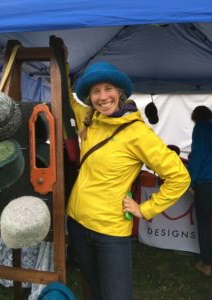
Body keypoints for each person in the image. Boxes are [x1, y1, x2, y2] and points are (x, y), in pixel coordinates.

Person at [66, 60, 190, 300]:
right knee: (96, 289)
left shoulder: (137, 133)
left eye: (108, 89)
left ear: (120, 92)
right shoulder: (91, 120)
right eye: (95, 91)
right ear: (89, 97)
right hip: (77, 224)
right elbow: (68, 102)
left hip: (110, 233)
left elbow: (179, 176)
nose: (102, 97)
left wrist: (146, 209)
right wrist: (61, 65)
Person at [188, 105, 212, 277]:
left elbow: (198, 155)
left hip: (206, 184)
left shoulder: (201, 128)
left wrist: (190, 182)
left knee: (204, 224)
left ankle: (207, 265)